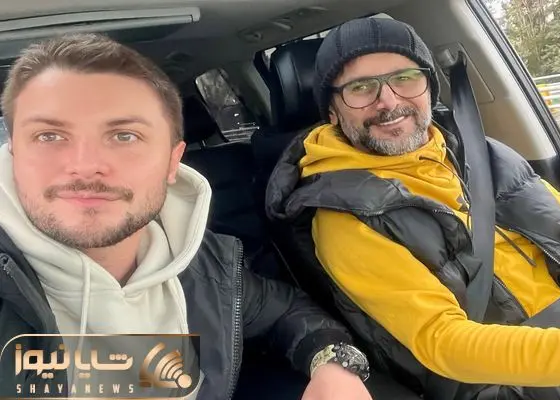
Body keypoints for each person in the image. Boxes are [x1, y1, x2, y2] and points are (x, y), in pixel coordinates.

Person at [0, 33, 374, 400]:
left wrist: (335, 363)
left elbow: (286, 312)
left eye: (124, 136)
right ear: (13, 153)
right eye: (49, 136)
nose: (84, 166)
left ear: (172, 162)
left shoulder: (201, 262)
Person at [265, 17, 560, 400]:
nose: (389, 102)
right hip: (512, 380)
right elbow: (445, 342)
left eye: (405, 78)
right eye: (361, 88)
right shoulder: (344, 217)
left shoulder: (484, 153)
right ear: (333, 112)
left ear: (429, 87)